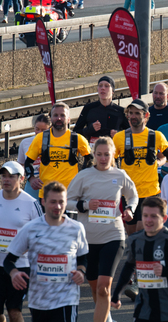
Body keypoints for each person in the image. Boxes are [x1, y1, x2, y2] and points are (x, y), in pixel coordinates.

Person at [67, 137, 138, 322]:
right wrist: (85, 204)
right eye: (99, 154)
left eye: (107, 154)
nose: (103, 158)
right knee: (95, 287)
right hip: (88, 239)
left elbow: (133, 196)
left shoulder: (120, 175)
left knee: (104, 287)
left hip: (113, 235)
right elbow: (67, 202)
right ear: (94, 154)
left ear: (113, 154)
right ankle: (106, 318)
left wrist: (130, 209)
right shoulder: (84, 175)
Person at [4, 181, 88, 321]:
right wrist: (14, 274)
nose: (58, 206)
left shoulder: (76, 228)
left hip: (67, 299)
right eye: (53, 202)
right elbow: (9, 260)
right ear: (43, 201)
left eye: (61, 202)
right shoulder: (31, 228)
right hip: (39, 301)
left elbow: (83, 258)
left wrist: (81, 272)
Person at [111, 197, 168, 321]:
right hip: (143, 310)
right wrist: (116, 295)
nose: (148, 220)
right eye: (145, 215)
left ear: (164, 219)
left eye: (154, 216)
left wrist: (166, 272)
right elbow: (129, 266)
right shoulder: (134, 240)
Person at [0, 161, 41, 322]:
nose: (6, 180)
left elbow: (42, 233)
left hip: (20, 267)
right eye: (3, 176)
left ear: (21, 179)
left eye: (11, 177)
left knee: (14, 312)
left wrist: (26, 247)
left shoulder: (31, 203)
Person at [113, 99, 168, 235]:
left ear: (146, 115)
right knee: (131, 234)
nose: (133, 116)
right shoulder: (119, 138)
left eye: (137, 113)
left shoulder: (156, 136)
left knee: (144, 231)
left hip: (150, 192)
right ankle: (137, 257)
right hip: (128, 194)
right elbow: (110, 162)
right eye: (130, 113)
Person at [25, 102, 92, 201]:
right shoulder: (40, 138)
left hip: (70, 195)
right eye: (55, 115)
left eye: (62, 115)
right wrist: (31, 178)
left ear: (69, 119)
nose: (59, 118)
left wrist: (83, 179)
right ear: (51, 118)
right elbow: (28, 162)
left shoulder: (78, 139)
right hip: (46, 195)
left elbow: (92, 160)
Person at [74, 76, 129, 149]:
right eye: (100, 86)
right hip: (93, 154)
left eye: (106, 86)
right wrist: (89, 129)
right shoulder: (89, 108)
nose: (103, 88)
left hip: (112, 155)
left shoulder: (120, 111)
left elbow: (131, 134)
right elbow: (75, 133)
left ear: (112, 91)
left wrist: (119, 134)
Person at [17, 114, 50, 199]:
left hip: (49, 183)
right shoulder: (25, 143)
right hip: (32, 184)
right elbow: (20, 165)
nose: (39, 132)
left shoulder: (55, 143)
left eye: (43, 130)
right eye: (37, 129)